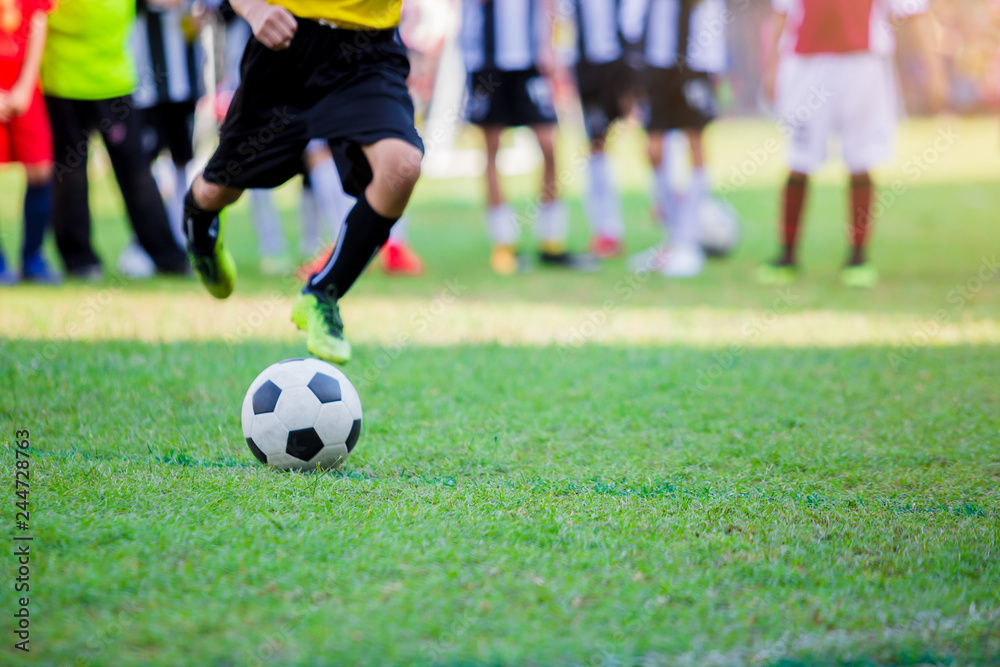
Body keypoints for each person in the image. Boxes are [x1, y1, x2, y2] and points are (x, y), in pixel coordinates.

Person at [182, 0, 424, 364]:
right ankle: (201, 231)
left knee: (401, 165)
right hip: (286, 43)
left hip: (368, 53)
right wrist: (254, 10)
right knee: (216, 189)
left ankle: (322, 294)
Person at [757, 0, 946, 288]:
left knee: (861, 159)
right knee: (799, 159)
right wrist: (772, 67)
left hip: (862, 63)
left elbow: (913, 12)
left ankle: (858, 257)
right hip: (806, 64)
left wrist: (934, 71)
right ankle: (787, 255)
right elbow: (782, 13)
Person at [42, 0, 189, 279]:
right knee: (70, 175)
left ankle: (168, 257)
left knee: (136, 172)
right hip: (63, 78)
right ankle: (79, 260)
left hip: (113, 81)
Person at [460, 0, 597, 275]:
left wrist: (550, 47)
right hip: (487, 61)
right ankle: (504, 243)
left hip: (531, 62)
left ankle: (551, 241)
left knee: (549, 144)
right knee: (491, 148)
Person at [625, 0, 727, 278]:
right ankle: (672, 238)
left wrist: (716, 66)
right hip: (655, 62)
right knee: (653, 149)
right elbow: (633, 15)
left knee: (694, 142)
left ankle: (688, 240)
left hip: (695, 62)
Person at [118, 0, 204, 278]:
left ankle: (181, 238)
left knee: (184, 161)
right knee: (144, 165)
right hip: (144, 88)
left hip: (186, 86)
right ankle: (145, 243)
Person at [568, 0, 633, 259]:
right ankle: (607, 230)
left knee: (655, 138)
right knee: (597, 146)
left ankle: (674, 226)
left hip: (626, 64)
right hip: (588, 68)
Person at [0, 0, 58, 284]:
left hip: (24, 86)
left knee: (40, 170)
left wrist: (24, 86)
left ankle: (32, 258)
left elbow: (38, 21)